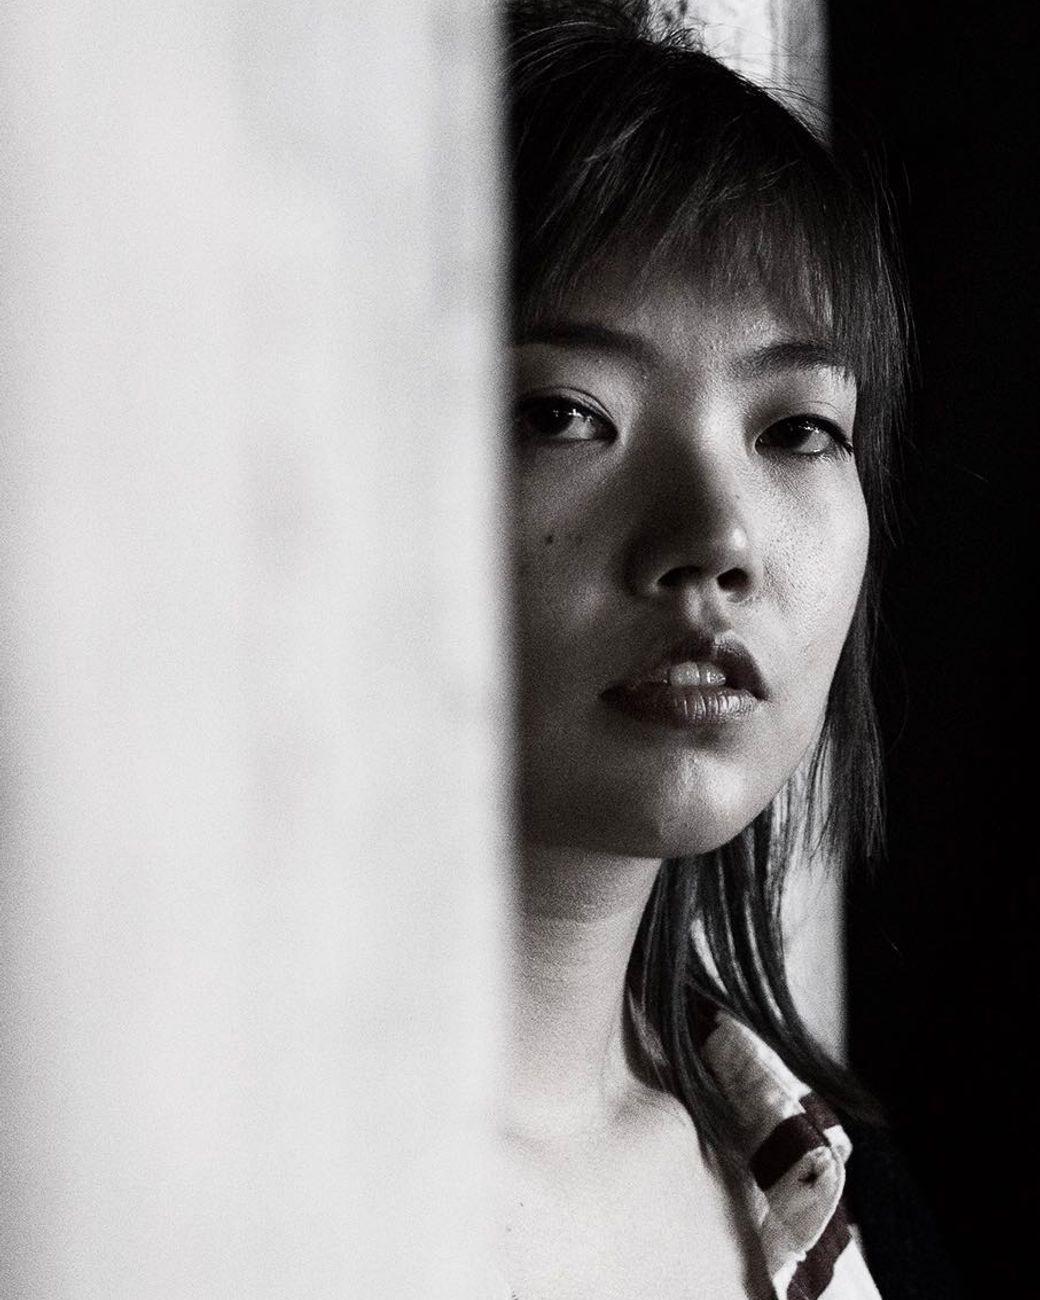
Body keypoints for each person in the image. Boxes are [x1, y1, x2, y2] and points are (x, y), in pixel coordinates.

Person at [497, 3, 963, 1298]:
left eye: (797, 430)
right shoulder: (146, 1161)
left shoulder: (838, 1205)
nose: (715, 540)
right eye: (565, 413)